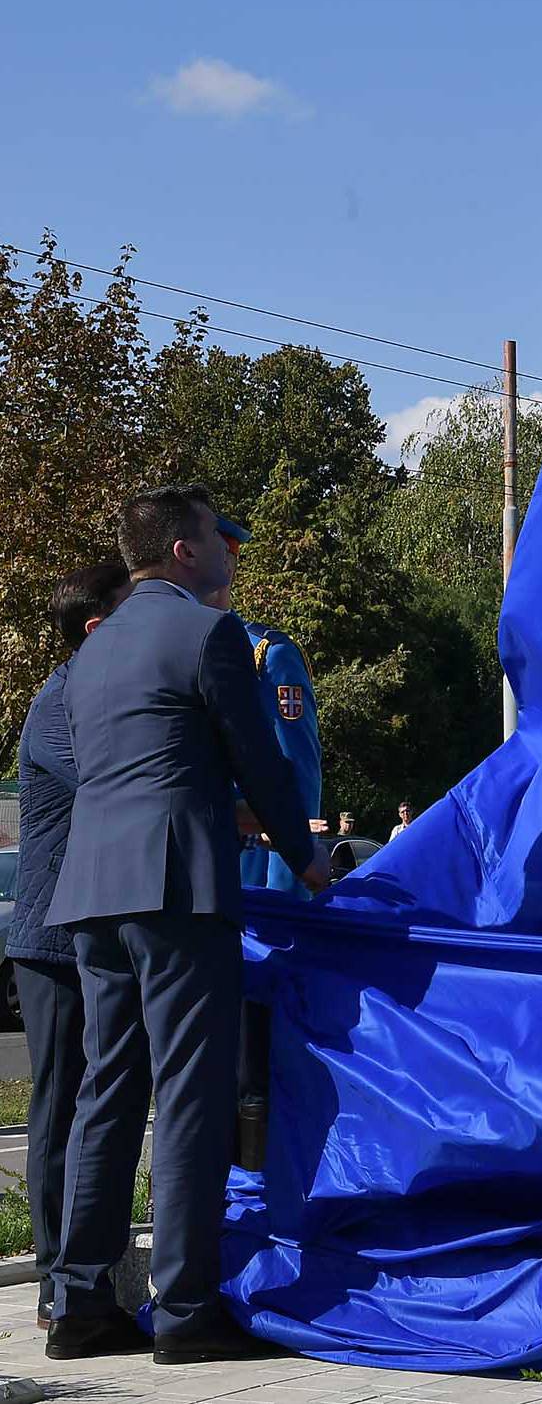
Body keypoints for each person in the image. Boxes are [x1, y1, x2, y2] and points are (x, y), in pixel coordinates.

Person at [44, 484, 328, 1363]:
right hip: (178, 888)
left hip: (93, 891)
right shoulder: (209, 636)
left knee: (108, 1095)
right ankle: (186, 1310)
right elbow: (262, 765)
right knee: (192, 1098)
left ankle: (81, 1303)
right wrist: (307, 857)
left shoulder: (89, 656)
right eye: (216, 536)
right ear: (180, 551)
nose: (227, 552)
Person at [9, 561, 131, 1330]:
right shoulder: (59, 705)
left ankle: (85, 1272)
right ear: (96, 629)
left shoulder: (93, 699)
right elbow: (117, 781)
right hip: (53, 942)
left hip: (91, 933)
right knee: (57, 1111)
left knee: (95, 1103)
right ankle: (57, 1281)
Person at [208, 515, 324, 897]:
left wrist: (285, 901)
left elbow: (296, 782)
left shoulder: (266, 657)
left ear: (225, 564)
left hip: (249, 885)